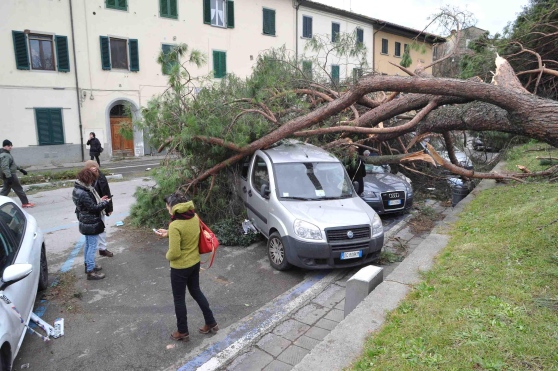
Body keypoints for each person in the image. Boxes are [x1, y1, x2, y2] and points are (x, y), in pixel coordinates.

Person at [156, 193, 218, 341]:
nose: (167, 209)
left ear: (174, 206)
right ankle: (211, 322)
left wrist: (167, 256)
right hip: (194, 263)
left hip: (180, 268)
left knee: (179, 299)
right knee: (196, 291)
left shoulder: (176, 224)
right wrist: (168, 234)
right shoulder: (193, 217)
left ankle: (182, 331)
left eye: (167, 206)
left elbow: (174, 253)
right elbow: (188, 235)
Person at [72, 167, 111, 280]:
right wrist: (104, 203)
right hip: (91, 222)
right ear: (88, 179)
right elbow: (93, 208)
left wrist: (100, 200)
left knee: (89, 244)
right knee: (92, 246)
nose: (93, 182)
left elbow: (88, 205)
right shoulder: (84, 192)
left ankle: (89, 265)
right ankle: (90, 271)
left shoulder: (77, 189)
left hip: (85, 221)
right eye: (92, 180)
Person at [84, 160, 114, 257]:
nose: (94, 170)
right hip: (89, 210)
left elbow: (107, 192)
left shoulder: (101, 176)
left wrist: (109, 208)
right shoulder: (84, 179)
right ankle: (90, 261)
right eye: (91, 168)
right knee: (91, 234)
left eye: (95, 168)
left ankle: (102, 249)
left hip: (100, 207)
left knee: (102, 229)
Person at [0, 139, 35, 208]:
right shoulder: (5, 155)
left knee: (5, 190)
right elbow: (5, 167)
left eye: (11, 145)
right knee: (18, 189)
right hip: (10, 175)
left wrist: (21, 170)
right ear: (4, 146)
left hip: (7, 175)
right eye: (8, 145)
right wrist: (9, 177)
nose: (10, 147)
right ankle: (25, 203)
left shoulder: (6, 154)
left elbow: (12, 165)